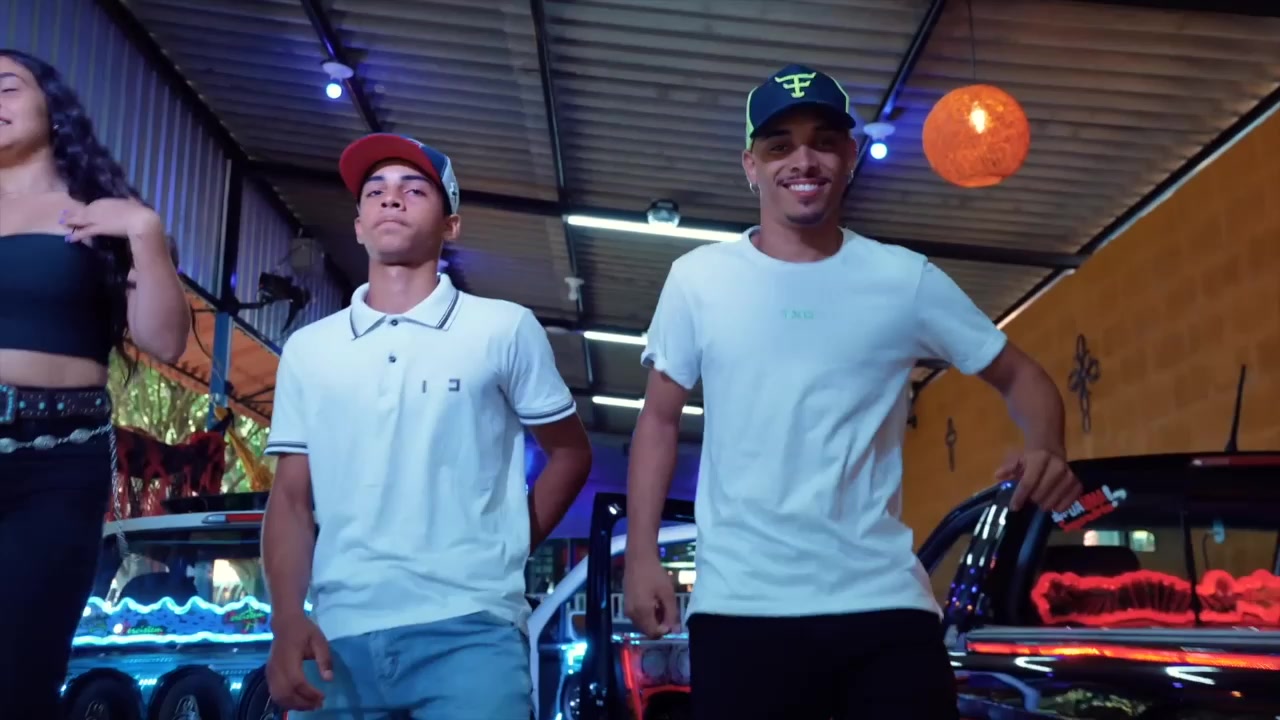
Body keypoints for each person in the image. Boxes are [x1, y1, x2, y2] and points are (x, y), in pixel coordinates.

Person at [622, 64, 1082, 720]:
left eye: (824, 142)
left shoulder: (904, 279)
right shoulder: (698, 280)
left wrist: (1047, 447)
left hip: (884, 609)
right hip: (743, 609)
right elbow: (659, 420)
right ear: (750, 165)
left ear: (852, 157)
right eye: (779, 145)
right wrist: (641, 555)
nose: (803, 160)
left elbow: (1022, 376)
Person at [261, 133, 594, 719]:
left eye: (414, 190)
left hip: (472, 634)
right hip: (337, 639)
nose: (391, 199)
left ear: (451, 225)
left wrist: (508, 547)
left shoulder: (502, 329)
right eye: (375, 192)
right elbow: (289, 498)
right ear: (358, 226)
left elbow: (570, 453)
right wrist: (287, 619)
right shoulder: (309, 350)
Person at [0, 49, 190, 717]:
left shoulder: (100, 215)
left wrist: (144, 231)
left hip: (56, 462)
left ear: (53, 107)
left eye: (5, 87)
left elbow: (166, 342)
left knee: (19, 678)